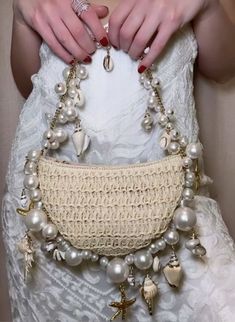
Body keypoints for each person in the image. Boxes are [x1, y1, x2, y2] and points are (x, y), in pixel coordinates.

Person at [2, 0, 235, 321]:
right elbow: (29, 82)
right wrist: (21, 16)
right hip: (43, 220)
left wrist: (206, 5)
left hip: (174, 216)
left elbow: (224, 68)